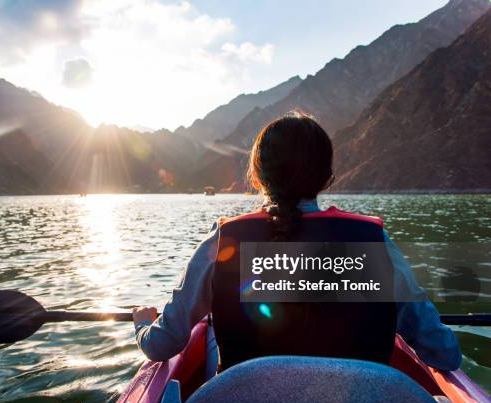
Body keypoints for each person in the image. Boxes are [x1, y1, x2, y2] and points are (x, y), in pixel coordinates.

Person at [132, 111, 461, 371]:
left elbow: (164, 345)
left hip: (246, 397)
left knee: (208, 339)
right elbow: (444, 355)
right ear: (327, 178)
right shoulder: (373, 242)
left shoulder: (224, 241)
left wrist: (144, 325)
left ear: (258, 177)